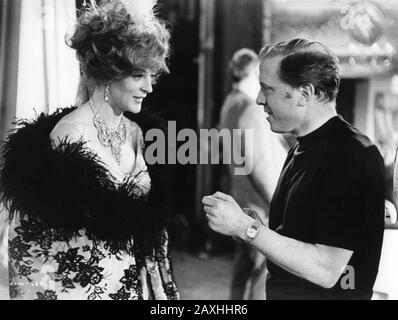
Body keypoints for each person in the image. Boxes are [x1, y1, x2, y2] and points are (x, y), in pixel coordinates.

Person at [0, 0, 179, 300]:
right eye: (138, 75)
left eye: (152, 75)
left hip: (137, 286)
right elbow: (45, 248)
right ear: (109, 72)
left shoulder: (137, 132)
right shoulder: (70, 133)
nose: (149, 86)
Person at [203, 38, 385, 300]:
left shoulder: (352, 155)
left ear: (305, 94)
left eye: (268, 89)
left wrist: (247, 228)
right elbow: (300, 236)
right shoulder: (301, 148)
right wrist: (250, 223)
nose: (258, 99)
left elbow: (326, 269)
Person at [218, 48, 287, 300]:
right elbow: (261, 166)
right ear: (250, 72)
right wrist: (280, 204)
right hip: (260, 207)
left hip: (242, 200)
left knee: (242, 274)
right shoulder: (250, 109)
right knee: (261, 279)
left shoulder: (229, 103)